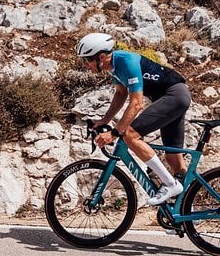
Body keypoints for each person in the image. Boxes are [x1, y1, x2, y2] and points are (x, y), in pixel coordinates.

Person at [76, 32, 191, 205]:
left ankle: (170, 184)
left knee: (130, 134)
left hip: (174, 96)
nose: (85, 65)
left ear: (100, 56)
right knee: (173, 158)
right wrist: (105, 121)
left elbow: (136, 104)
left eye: (87, 60)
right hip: (172, 97)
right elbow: (121, 94)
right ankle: (185, 211)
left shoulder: (126, 62)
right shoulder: (113, 67)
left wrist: (115, 133)